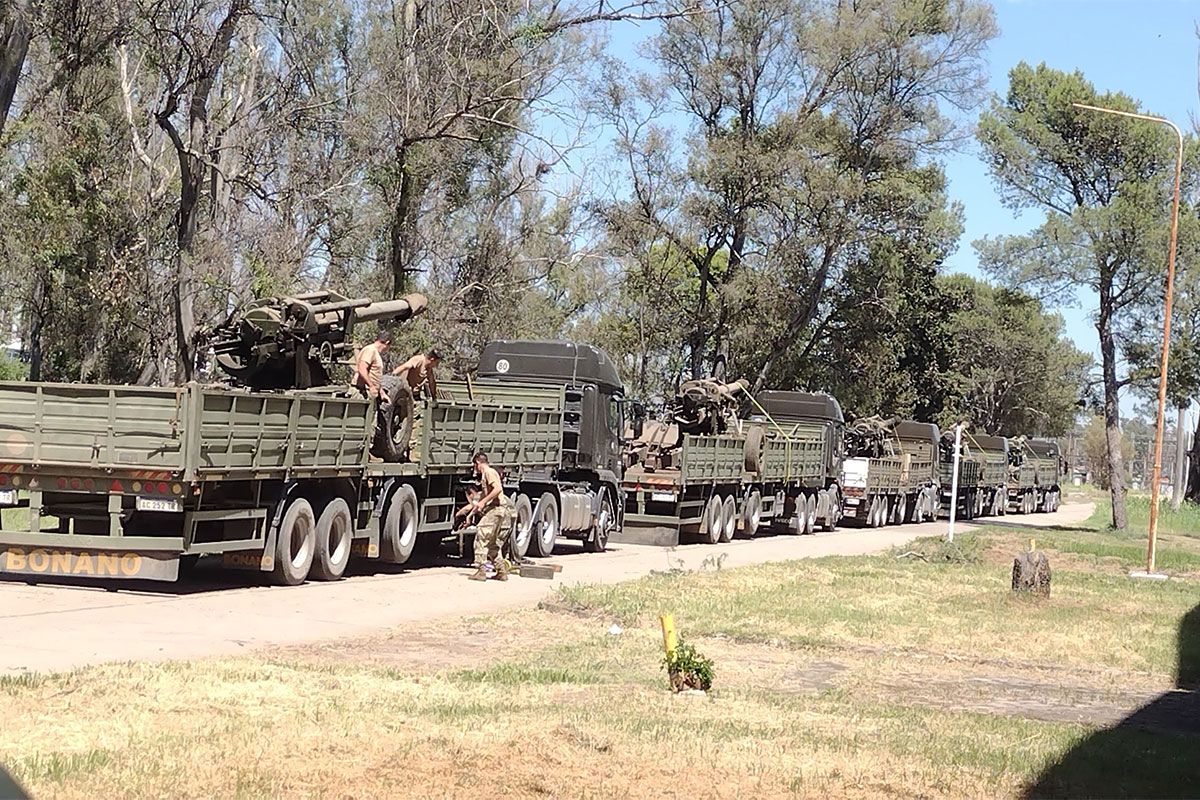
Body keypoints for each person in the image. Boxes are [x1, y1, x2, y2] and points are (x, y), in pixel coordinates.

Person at [456, 452, 514, 581]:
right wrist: (469, 516)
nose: (474, 468)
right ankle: (501, 571)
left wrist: (483, 502)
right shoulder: (485, 476)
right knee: (492, 543)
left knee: (481, 537)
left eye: (474, 465)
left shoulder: (489, 472)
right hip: (497, 511)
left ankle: (481, 570)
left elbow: (498, 489)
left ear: (477, 463)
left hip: (496, 509)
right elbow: (480, 500)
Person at [354, 330, 391, 399]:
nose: (386, 350)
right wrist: (371, 386)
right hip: (362, 393)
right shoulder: (370, 350)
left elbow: (374, 375)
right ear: (387, 343)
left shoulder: (375, 352)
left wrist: (381, 392)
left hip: (370, 392)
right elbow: (362, 368)